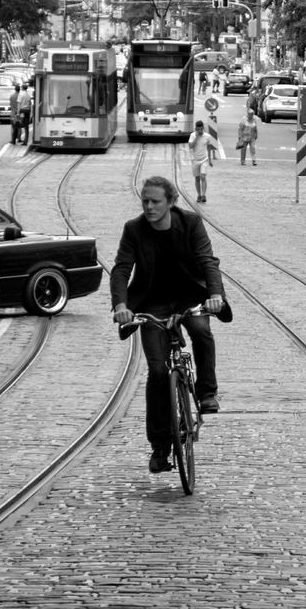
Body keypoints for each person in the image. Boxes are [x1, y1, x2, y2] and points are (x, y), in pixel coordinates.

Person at [110, 175, 226, 473]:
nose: (149, 207)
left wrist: (214, 295)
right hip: (152, 303)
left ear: (171, 202)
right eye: (145, 201)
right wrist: (121, 306)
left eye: (155, 201)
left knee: (201, 330)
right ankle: (160, 448)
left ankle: (207, 392)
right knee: (158, 372)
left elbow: (207, 261)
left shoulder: (190, 223)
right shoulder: (133, 229)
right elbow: (122, 269)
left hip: (189, 295)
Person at [188, 121, 217, 203]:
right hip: (195, 160)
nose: (200, 131)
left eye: (201, 129)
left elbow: (209, 147)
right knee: (197, 178)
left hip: (204, 159)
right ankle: (199, 195)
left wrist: (210, 160)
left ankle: (204, 195)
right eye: (198, 129)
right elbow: (190, 146)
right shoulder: (192, 135)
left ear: (203, 128)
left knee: (203, 176)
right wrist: (196, 138)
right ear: (196, 129)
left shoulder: (207, 136)